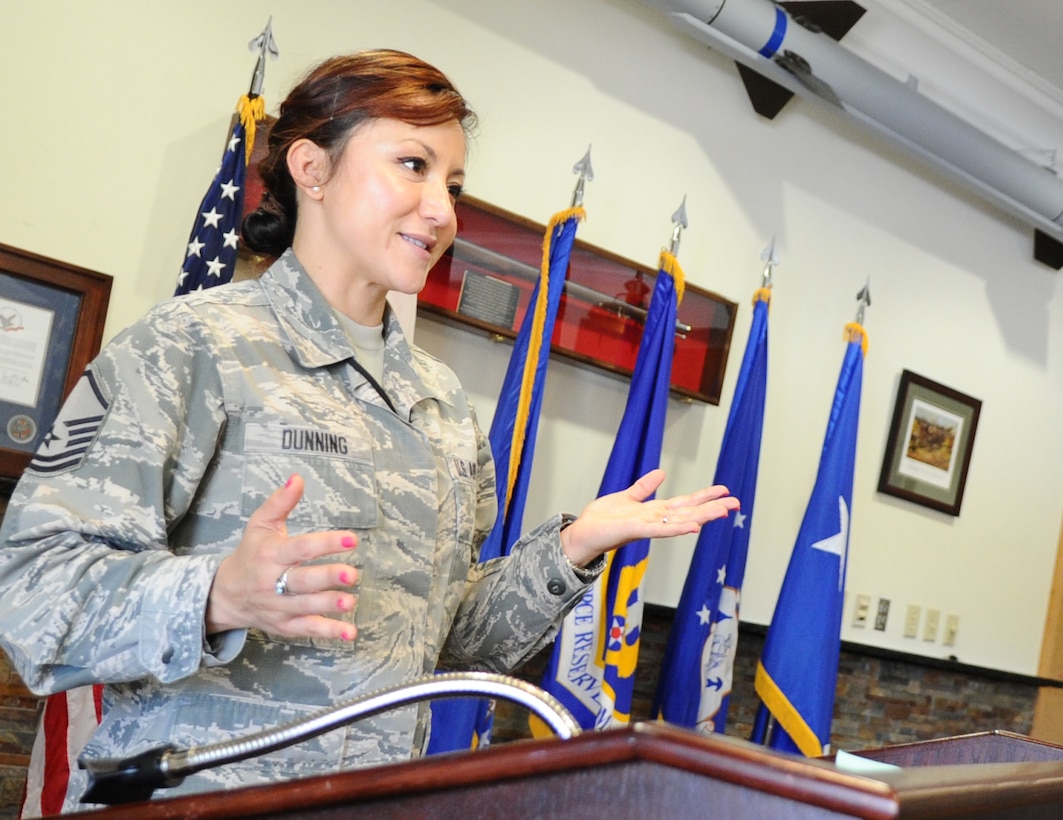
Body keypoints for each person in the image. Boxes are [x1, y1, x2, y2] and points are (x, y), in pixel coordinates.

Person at [0, 49, 739, 810]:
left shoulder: (440, 401)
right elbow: (31, 593)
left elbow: (445, 645)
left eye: (452, 185)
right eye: (412, 166)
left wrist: (572, 547)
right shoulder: (190, 348)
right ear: (311, 170)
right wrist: (219, 593)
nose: (441, 210)